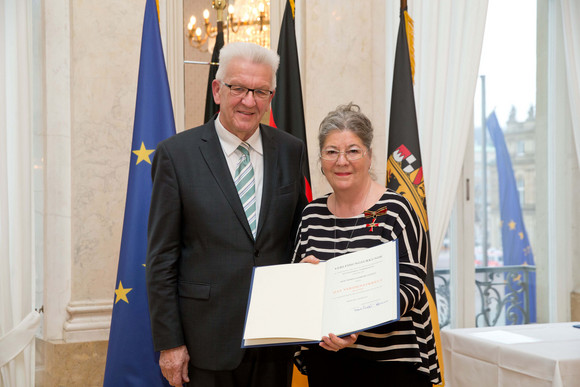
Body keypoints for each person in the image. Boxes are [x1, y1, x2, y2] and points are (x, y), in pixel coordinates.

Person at [146, 42, 308, 387]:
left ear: (271, 96)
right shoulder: (176, 156)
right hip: (204, 343)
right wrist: (170, 343)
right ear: (218, 90)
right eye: (238, 88)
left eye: (260, 91)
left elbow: (297, 237)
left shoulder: (291, 151)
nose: (249, 101)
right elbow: (161, 258)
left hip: (274, 340)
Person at [292, 103, 441, 386]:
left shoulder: (395, 210)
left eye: (353, 150)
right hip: (326, 360)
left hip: (390, 365)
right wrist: (302, 278)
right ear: (321, 159)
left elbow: (410, 287)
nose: (341, 161)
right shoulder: (312, 214)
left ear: (369, 156)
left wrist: (355, 324)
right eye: (331, 151)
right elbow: (298, 285)